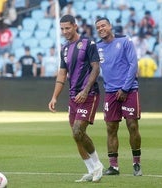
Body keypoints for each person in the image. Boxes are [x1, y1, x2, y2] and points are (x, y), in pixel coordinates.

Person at [48, 14, 103, 183]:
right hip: (73, 96)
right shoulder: (64, 49)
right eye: (62, 29)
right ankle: (90, 170)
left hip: (89, 94)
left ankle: (98, 165)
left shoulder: (88, 44)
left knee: (78, 130)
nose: (65, 31)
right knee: (76, 135)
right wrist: (54, 97)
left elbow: (96, 68)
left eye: (67, 28)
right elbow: (62, 74)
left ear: (75, 26)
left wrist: (86, 90)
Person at [95, 17, 142, 176]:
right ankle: (113, 167)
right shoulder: (97, 47)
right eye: (98, 27)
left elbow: (133, 65)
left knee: (132, 125)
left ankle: (136, 163)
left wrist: (125, 88)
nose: (101, 29)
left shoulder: (125, 41)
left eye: (103, 26)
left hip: (129, 90)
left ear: (110, 26)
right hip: (110, 93)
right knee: (111, 128)